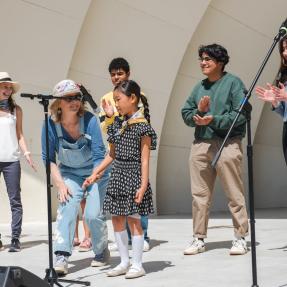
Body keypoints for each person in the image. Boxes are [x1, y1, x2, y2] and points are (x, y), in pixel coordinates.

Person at [83, 80, 156, 279]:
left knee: (134, 221)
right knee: (116, 219)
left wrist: (142, 185)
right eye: (114, 100)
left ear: (132, 98)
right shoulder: (118, 124)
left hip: (133, 177)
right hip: (117, 176)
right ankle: (124, 262)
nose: (116, 104)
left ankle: (137, 264)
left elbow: (144, 160)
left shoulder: (143, 127)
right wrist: (95, 173)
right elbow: (111, 154)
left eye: (118, 99)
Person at [181, 44, 249, 256]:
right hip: (201, 144)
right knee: (199, 195)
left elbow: (241, 114)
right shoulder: (199, 86)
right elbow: (185, 113)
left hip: (227, 143)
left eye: (208, 59)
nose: (203, 63)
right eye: (201, 59)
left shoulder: (233, 83)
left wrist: (214, 119)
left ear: (220, 62)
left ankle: (240, 238)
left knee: (234, 193)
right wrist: (198, 112)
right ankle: (198, 238)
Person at [41, 79, 110, 275]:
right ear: (58, 102)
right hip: (69, 173)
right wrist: (60, 184)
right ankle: (61, 255)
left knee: (92, 214)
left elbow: (99, 155)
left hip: (96, 172)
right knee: (67, 207)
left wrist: (94, 177)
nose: (75, 101)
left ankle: (101, 250)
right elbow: (49, 159)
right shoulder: (50, 125)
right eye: (69, 98)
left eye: (77, 97)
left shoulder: (89, 120)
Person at [99, 57, 150, 252]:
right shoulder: (107, 97)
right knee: (121, 199)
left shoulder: (138, 94)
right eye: (113, 74)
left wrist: (118, 119)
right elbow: (106, 126)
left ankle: (142, 235)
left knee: (138, 195)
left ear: (128, 74)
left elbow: (139, 119)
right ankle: (125, 239)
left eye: (120, 73)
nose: (116, 77)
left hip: (134, 152)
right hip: (118, 150)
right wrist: (112, 117)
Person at [0, 72, 36, 252]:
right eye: (4, 86)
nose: (7, 90)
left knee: (15, 200)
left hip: (12, 160)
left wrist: (27, 153)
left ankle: (15, 239)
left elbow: (19, 134)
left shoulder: (16, 110)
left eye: (9, 88)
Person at [255, 36, 287, 165]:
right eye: (283, 49)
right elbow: (284, 112)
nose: (284, 53)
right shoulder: (285, 77)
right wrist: (275, 102)